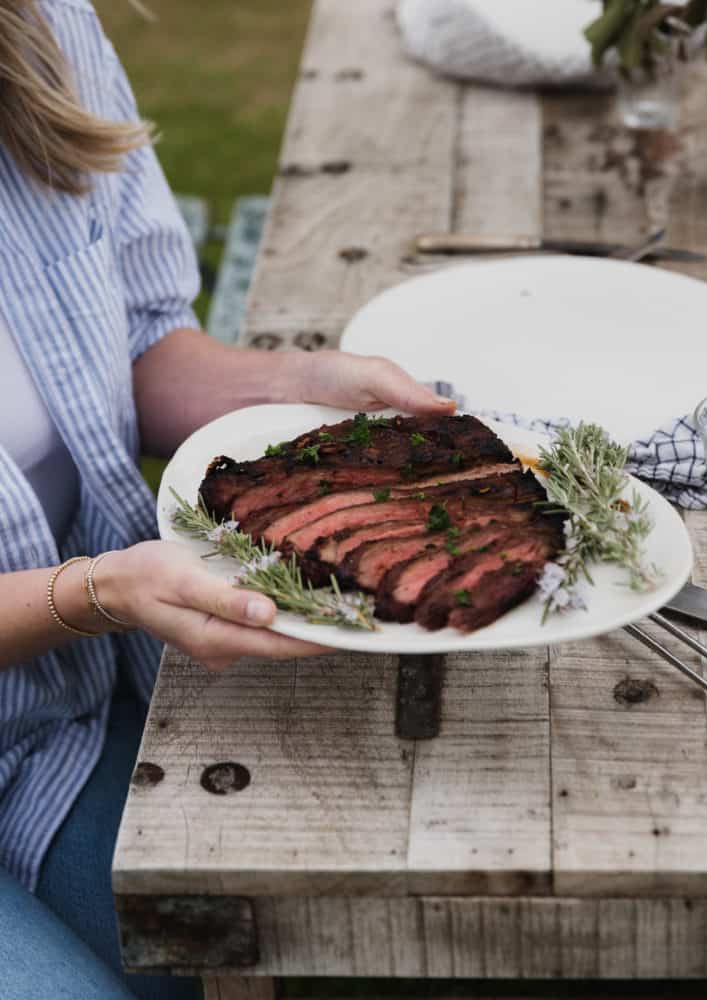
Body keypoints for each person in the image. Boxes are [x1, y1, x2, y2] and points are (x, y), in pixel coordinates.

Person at [0, 2, 455, 997]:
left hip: (63, 720)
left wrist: (305, 385)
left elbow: (135, 350)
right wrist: (91, 594)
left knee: (333, 943)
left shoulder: (42, 27)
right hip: (74, 651)